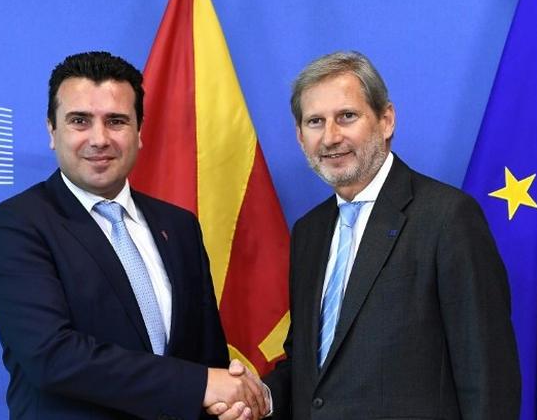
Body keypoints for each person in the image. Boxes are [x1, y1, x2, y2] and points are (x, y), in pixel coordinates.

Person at [220, 51, 521, 420]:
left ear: (386, 120)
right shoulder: (309, 232)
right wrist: (263, 397)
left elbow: (487, 373)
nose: (330, 137)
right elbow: (313, 368)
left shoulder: (447, 217)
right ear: (300, 137)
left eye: (346, 116)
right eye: (315, 121)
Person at [0, 51, 265, 419]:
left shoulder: (178, 226)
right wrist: (200, 384)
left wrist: (229, 400)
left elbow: (207, 357)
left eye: (116, 121)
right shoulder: (15, 225)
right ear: (52, 130)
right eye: (80, 121)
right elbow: (52, 356)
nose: (99, 139)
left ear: (139, 132)